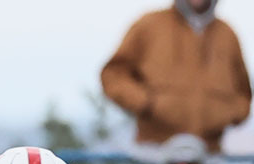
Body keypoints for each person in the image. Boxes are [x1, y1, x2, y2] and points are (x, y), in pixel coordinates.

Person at [102, 0, 251, 153]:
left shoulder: (227, 35)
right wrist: (146, 103)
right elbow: (113, 75)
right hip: (154, 151)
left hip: (208, 154)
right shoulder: (149, 25)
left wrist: (226, 114)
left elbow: (243, 93)